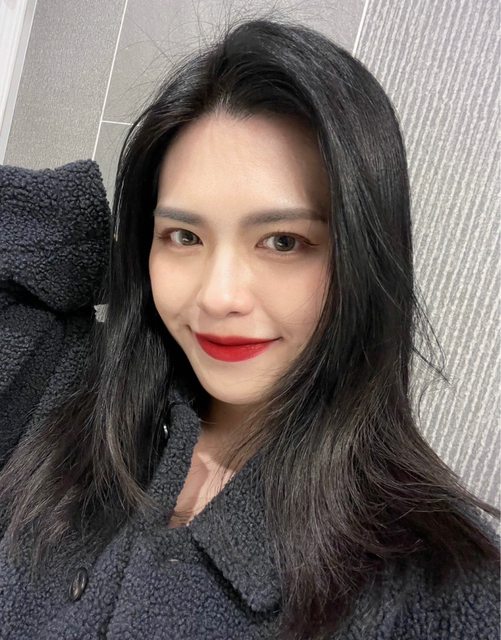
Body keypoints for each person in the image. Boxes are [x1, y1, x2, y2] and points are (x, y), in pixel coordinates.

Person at [0, 17, 499, 640]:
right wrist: (103, 259)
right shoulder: (61, 390)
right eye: (184, 236)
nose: (218, 297)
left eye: (283, 241)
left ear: (365, 259)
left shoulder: (440, 583)